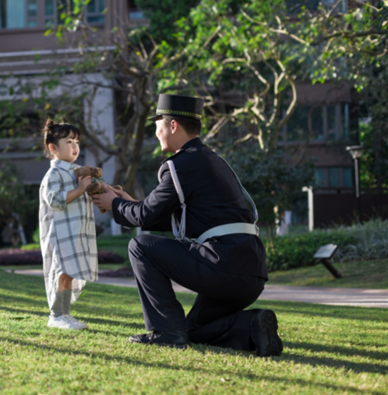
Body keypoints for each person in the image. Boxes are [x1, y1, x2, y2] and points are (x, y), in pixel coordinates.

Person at [92, 94, 283, 357]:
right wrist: (129, 203)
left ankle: (166, 333)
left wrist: (114, 204)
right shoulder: (211, 159)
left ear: (172, 126)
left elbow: (146, 216)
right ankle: (251, 326)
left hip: (223, 265)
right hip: (251, 272)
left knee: (140, 246)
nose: (156, 132)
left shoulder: (182, 164)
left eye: (157, 124)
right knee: (192, 328)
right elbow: (168, 216)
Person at [39, 119, 98, 330]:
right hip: (61, 234)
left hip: (76, 232)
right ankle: (55, 315)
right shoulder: (54, 174)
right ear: (53, 148)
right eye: (69, 141)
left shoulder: (76, 171)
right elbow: (54, 200)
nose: (75, 146)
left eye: (76, 141)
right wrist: (80, 189)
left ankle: (65, 314)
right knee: (62, 273)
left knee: (70, 273)